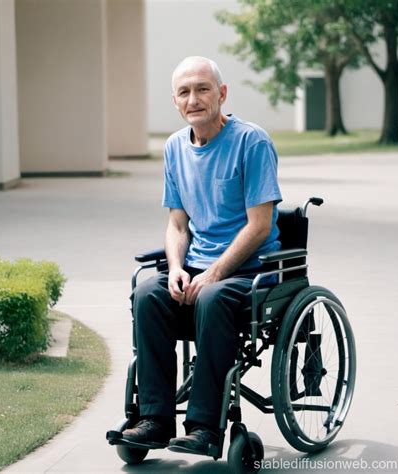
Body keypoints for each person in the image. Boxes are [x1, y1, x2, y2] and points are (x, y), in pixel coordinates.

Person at [122, 56, 282, 456]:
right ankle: (154, 419)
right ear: (175, 102)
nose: (194, 99)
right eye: (184, 92)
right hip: (196, 267)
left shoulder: (252, 142)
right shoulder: (175, 147)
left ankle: (205, 427)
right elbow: (178, 225)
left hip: (253, 271)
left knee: (211, 297)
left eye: (203, 89)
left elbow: (259, 225)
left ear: (222, 94)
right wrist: (177, 269)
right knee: (148, 292)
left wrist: (213, 273)